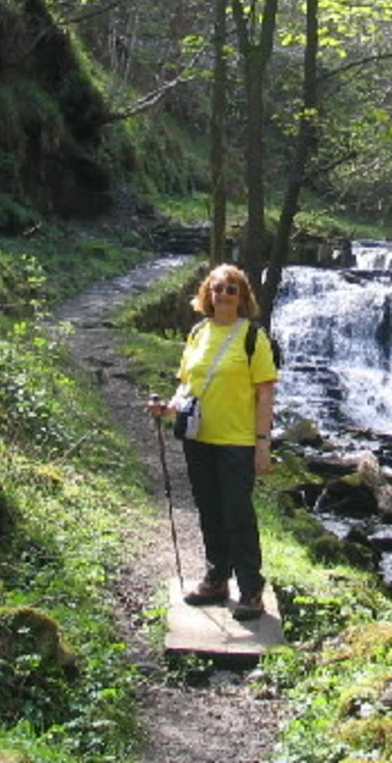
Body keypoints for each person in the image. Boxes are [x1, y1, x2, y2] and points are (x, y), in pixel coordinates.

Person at [149, 264, 277, 620]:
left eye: (231, 290)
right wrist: (168, 408)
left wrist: (262, 443)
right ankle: (217, 577)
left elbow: (265, 393)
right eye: (217, 288)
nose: (223, 294)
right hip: (199, 438)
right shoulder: (198, 333)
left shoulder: (253, 337)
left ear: (242, 297)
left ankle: (251, 589)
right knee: (209, 509)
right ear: (207, 293)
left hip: (238, 441)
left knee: (238, 513)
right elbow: (186, 384)